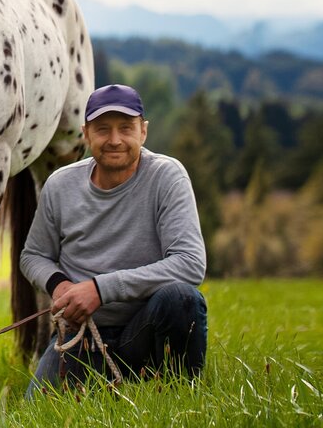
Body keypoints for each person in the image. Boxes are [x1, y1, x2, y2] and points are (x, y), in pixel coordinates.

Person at [20, 84, 208, 396]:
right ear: (86, 134)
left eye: (126, 128)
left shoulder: (168, 177)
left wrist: (99, 289)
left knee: (182, 299)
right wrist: (60, 286)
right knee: (35, 413)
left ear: (143, 132)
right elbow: (34, 255)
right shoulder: (60, 185)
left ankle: (181, 395)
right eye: (103, 129)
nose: (115, 140)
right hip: (81, 335)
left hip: (145, 329)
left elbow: (189, 265)